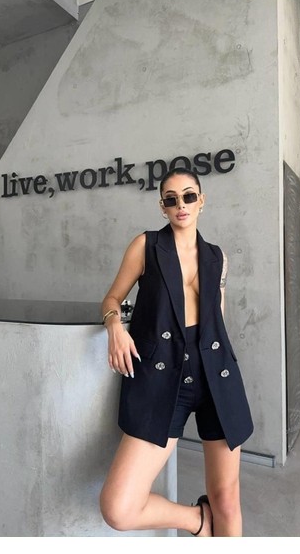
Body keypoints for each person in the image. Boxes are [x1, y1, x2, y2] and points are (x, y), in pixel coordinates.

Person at [99, 167, 253, 537]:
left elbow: (217, 316)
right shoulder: (147, 246)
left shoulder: (217, 257)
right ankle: (198, 520)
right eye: (171, 199)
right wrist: (114, 327)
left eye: (188, 196)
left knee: (227, 500)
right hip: (164, 376)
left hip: (216, 374)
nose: (180, 204)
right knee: (119, 508)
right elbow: (112, 298)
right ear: (162, 206)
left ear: (201, 201)